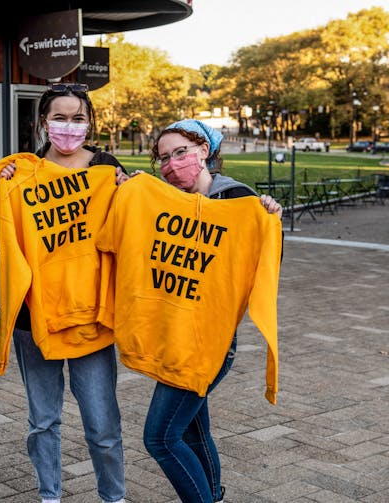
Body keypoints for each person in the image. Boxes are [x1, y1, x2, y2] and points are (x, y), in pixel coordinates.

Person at [102, 119, 282, 503]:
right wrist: (134, 191)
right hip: (173, 336)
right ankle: (213, 495)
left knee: (160, 437)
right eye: (163, 158)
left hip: (208, 344)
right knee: (191, 431)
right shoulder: (160, 199)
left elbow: (266, 263)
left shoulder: (237, 200)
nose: (172, 164)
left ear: (204, 151)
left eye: (180, 152)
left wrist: (268, 219)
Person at [0, 83, 128, 503]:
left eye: (78, 118)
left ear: (90, 123)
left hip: (91, 314)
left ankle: (113, 497)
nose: (69, 126)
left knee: (102, 425)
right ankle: (49, 495)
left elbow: (140, 223)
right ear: (43, 123)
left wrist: (131, 188)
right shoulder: (21, 172)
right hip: (35, 316)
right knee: (42, 421)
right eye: (60, 117)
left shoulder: (108, 168)